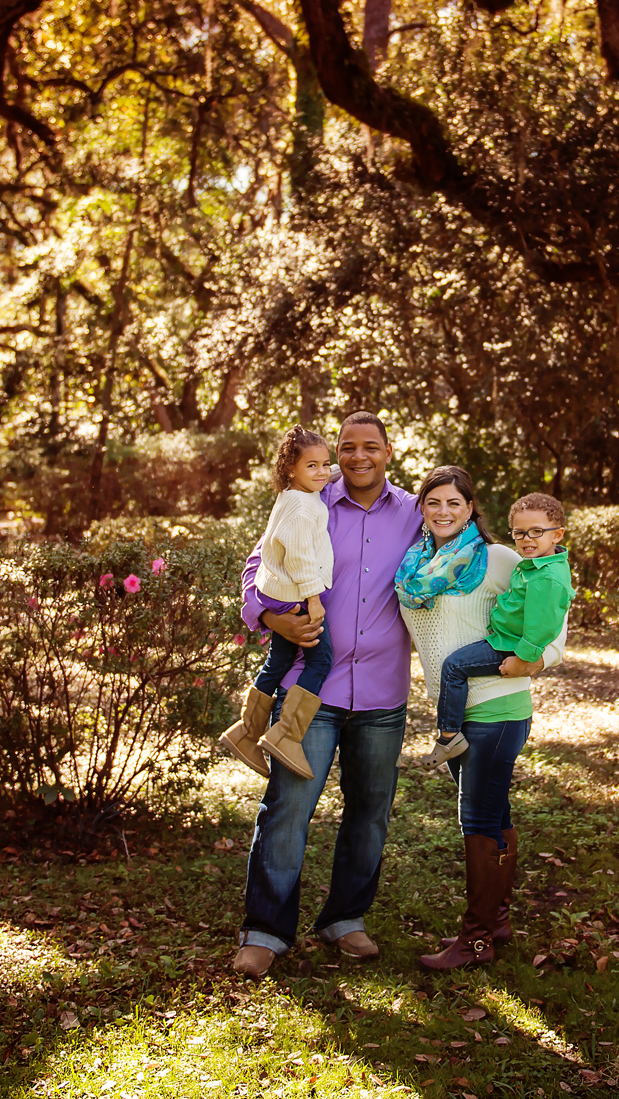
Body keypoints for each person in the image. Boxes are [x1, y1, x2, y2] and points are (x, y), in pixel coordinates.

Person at [229, 413, 424, 979]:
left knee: (369, 813)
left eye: (370, 447)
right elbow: (258, 566)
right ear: (333, 454)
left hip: (383, 689)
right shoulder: (307, 499)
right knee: (288, 809)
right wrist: (269, 617)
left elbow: (458, 560)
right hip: (311, 692)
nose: (357, 457)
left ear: (388, 451)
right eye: (346, 448)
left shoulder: (414, 512)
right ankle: (265, 930)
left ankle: (346, 918)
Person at [394, 469, 565, 971]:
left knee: (478, 821)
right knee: (495, 816)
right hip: (453, 711)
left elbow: (554, 621)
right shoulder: (413, 566)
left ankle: (474, 940)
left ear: (471, 509)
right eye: (432, 502)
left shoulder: (501, 559)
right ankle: (498, 917)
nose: (443, 511)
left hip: (498, 707)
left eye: (454, 502)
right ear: (421, 508)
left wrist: (534, 660)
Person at [403, 490, 571, 766]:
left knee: (454, 665)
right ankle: (449, 734)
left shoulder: (507, 561)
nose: (527, 539)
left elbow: (552, 620)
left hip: (499, 692)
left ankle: (448, 737)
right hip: (469, 692)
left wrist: (527, 659)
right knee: (478, 807)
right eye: (520, 533)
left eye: (537, 532)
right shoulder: (414, 565)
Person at [220, 428, 337, 781]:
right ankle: (285, 735)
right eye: (312, 466)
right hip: (295, 596)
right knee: (321, 658)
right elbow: (300, 557)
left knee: (281, 658)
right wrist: (314, 600)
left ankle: (245, 731)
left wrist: (335, 470)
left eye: (326, 465)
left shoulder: (293, 493)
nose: (321, 472)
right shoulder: (302, 510)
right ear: (290, 469)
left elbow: (321, 474)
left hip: (278, 591)